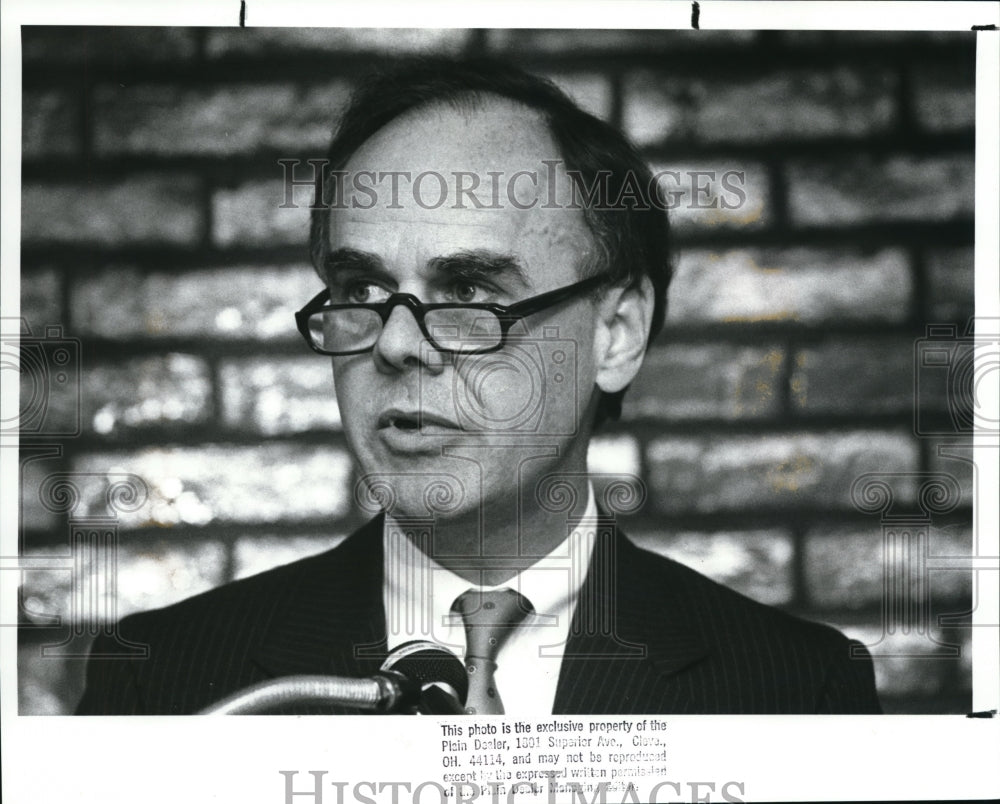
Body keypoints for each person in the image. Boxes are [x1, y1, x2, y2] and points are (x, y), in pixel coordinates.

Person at [76, 58, 881, 716]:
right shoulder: (165, 686)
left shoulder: (797, 692)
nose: (394, 342)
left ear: (617, 332)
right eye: (359, 290)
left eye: (467, 291)